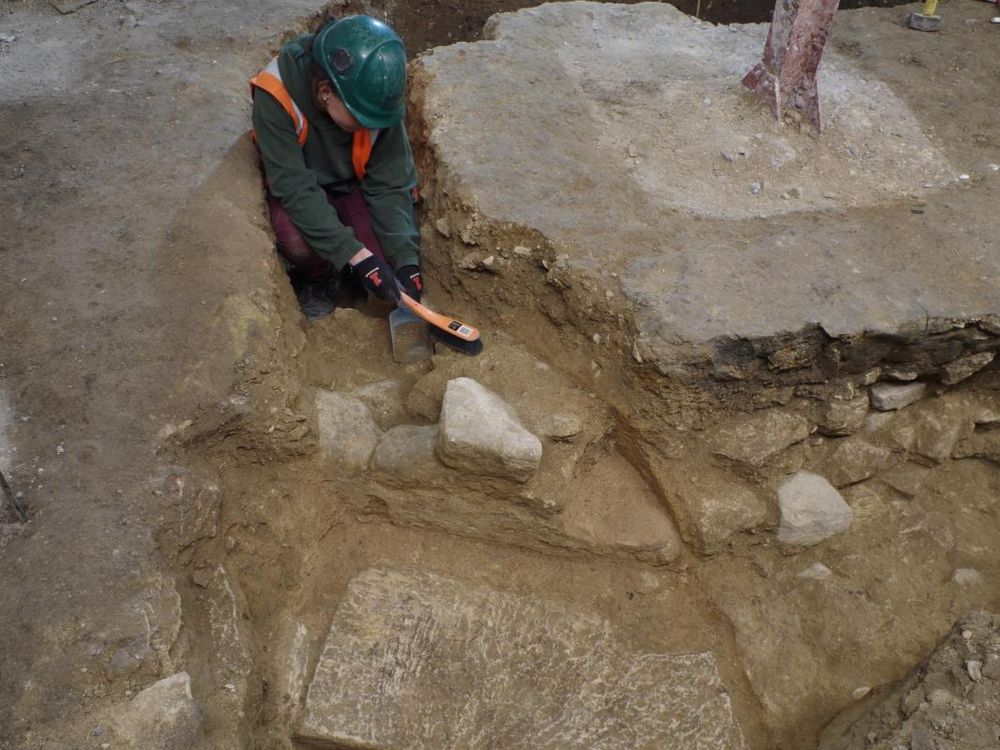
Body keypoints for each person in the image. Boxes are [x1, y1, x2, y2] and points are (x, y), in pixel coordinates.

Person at [250, 15, 423, 319]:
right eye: (362, 118)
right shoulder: (275, 93)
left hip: (352, 187)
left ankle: (358, 270)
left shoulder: (376, 98)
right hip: (302, 193)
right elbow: (294, 188)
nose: (371, 126)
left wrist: (407, 261)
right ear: (325, 91)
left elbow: (391, 183)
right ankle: (319, 278)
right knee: (294, 238)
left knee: (390, 269)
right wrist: (354, 254)